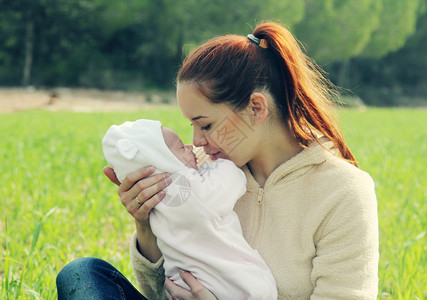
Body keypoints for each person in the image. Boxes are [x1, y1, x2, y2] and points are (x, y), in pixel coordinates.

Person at [57, 21, 379, 300]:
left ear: (256, 108)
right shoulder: (198, 172)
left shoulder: (344, 193)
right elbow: (160, 292)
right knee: (82, 275)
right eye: (192, 126)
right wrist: (147, 223)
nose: (196, 141)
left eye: (206, 124)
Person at [101, 119, 277, 299]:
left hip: (182, 286)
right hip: (231, 286)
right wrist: (222, 164)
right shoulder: (187, 188)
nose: (193, 145)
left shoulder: (158, 198)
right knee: (84, 271)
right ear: (163, 159)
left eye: (207, 125)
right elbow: (230, 182)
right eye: (180, 147)